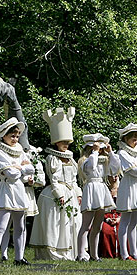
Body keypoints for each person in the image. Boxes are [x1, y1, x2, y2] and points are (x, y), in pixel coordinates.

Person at [30, 107, 81, 260]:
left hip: (71, 191)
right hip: (56, 192)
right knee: (56, 224)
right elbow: (54, 179)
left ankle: (74, 251)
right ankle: (55, 252)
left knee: (73, 222)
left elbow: (74, 179)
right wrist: (59, 194)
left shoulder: (71, 158)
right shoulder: (52, 158)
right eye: (62, 141)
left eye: (67, 141)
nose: (65, 144)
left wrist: (78, 193)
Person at [0, 117, 36, 265]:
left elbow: (31, 169)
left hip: (19, 189)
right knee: (2, 224)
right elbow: (11, 174)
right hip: (7, 188)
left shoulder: (20, 151)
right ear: (4, 136)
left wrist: (18, 167)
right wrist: (21, 168)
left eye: (17, 136)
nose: (15, 139)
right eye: (12, 136)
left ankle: (19, 257)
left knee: (20, 225)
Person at [112, 123, 137, 261]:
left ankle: (134, 253)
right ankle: (124, 254)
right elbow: (133, 170)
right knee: (125, 220)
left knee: (134, 221)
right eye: (133, 138)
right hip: (128, 186)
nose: (136, 141)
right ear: (126, 139)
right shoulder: (122, 153)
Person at [76, 133, 116, 262]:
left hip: (101, 188)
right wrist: (94, 152)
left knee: (97, 225)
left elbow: (115, 168)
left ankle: (94, 255)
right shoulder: (86, 161)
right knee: (86, 225)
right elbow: (90, 168)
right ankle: (81, 254)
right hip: (91, 188)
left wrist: (110, 153)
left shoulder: (103, 160)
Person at [99, 176, 120, 258]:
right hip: (105, 217)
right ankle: (107, 253)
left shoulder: (121, 189)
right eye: (112, 176)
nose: (114, 178)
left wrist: (119, 219)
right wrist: (107, 219)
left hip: (120, 216)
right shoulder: (104, 190)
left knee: (120, 229)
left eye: (116, 176)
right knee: (106, 230)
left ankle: (122, 252)